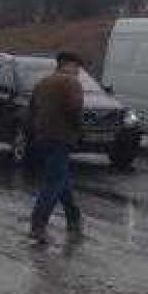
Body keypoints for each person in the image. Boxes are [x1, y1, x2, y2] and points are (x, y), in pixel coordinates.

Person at [28, 52, 86, 244]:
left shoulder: (43, 82)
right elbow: (75, 110)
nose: (78, 71)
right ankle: (38, 224)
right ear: (67, 65)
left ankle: (74, 218)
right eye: (76, 66)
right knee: (54, 182)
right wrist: (79, 131)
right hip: (62, 138)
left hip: (43, 137)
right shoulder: (71, 83)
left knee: (62, 179)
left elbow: (32, 108)